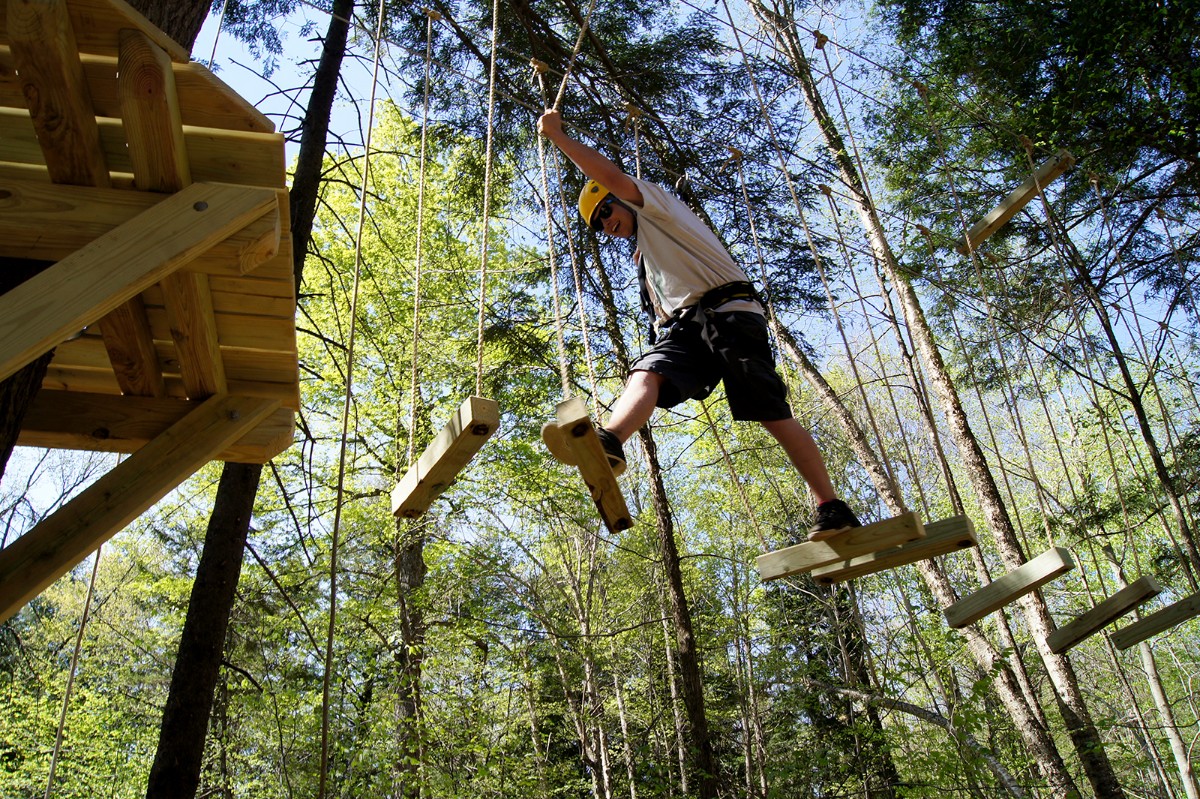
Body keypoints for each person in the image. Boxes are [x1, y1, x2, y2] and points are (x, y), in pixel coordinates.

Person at [538, 109, 860, 539]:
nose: (606, 223)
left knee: (769, 411)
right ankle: (610, 440)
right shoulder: (648, 254)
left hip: (729, 315)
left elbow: (609, 174)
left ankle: (831, 505)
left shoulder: (658, 207)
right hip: (687, 329)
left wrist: (559, 137)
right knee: (646, 370)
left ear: (622, 198)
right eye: (597, 224)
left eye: (606, 210)